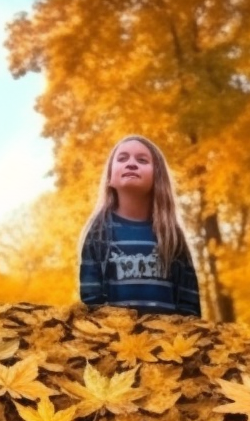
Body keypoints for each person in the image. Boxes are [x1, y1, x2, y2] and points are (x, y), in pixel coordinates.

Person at [79, 135, 201, 316]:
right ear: (109, 178)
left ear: (158, 176)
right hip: (116, 340)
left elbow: (189, 300)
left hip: (166, 340)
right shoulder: (99, 232)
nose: (131, 163)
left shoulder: (171, 235)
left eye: (142, 160)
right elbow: (90, 299)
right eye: (122, 158)